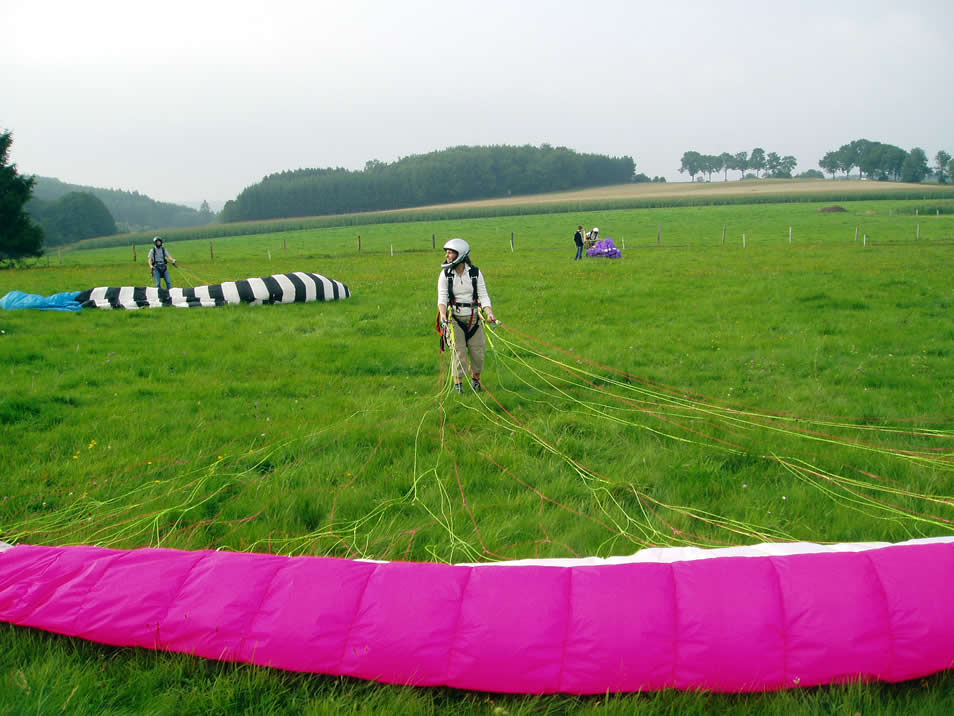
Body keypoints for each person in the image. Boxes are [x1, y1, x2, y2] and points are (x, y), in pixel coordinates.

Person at [437, 238, 497, 394]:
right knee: (459, 353)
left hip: (474, 319)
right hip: (455, 320)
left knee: (478, 352)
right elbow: (442, 299)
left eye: (450, 253)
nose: (447, 255)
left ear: (460, 254)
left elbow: (483, 296)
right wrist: (443, 315)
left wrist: (489, 313)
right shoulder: (445, 275)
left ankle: (476, 381)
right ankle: (459, 386)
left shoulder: (475, 273)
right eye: (447, 252)